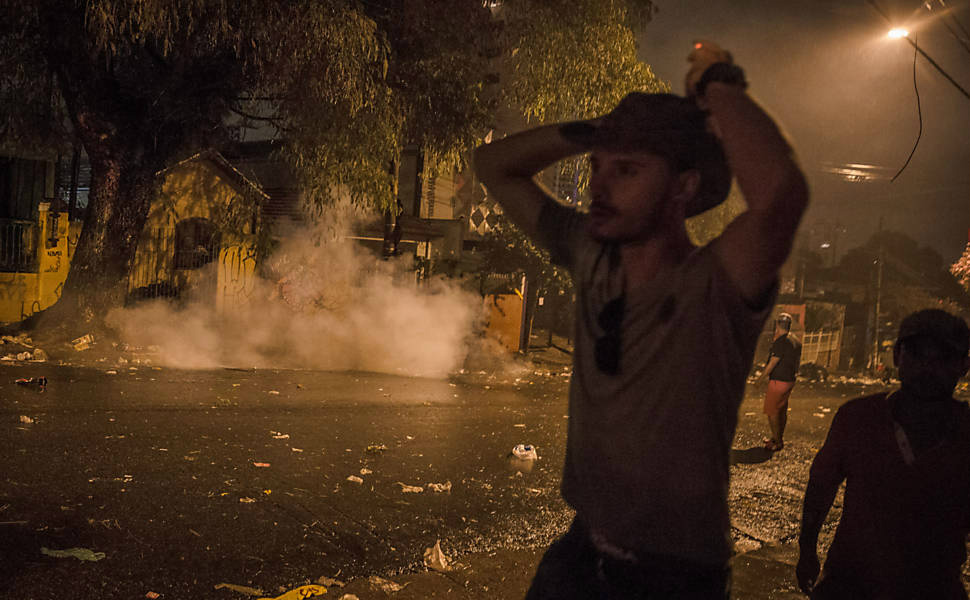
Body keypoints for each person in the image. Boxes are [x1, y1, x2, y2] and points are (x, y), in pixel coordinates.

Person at [474, 40, 808, 598]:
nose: (598, 186)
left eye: (626, 170)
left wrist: (718, 84)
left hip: (672, 575)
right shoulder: (593, 255)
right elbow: (491, 166)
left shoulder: (715, 285)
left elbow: (780, 196)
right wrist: (596, 132)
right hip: (581, 550)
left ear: (684, 186)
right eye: (596, 167)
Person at [797, 309, 970, 599]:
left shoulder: (965, 433)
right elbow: (820, 487)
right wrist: (806, 550)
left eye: (942, 357)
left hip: (932, 587)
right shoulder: (857, 419)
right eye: (917, 354)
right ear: (897, 356)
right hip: (850, 585)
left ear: (964, 365)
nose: (927, 367)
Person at [754, 312, 802, 451]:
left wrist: (759, 380)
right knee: (781, 410)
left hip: (778, 381)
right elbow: (797, 362)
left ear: (777, 325)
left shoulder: (780, 342)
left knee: (772, 411)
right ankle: (777, 437)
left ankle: (777, 442)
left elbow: (772, 363)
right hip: (789, 380)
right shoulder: (796, 340)